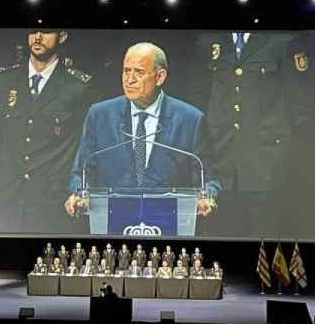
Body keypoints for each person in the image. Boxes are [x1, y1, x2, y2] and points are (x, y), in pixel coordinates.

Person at [65, 43, 219, 221]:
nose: (129, 79)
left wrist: (207, 198)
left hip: (168, 223)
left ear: (160, 77)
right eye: (126, 71)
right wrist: (78, 195)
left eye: (139, 72)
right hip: (113, 222)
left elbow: (208, 179)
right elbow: (81, 173)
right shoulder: (99, 115)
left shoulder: (190, 120)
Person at [191, 31, 315, 237]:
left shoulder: (281, 41)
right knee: (223, 240)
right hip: (223, 163)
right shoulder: (208, 41)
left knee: (265, 239)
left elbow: (301, 105)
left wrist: (286, 153)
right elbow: (203, 97)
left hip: (266, 165)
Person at [0, 30, 94, 233]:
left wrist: (77, 191)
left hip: (51, 201)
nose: (38, 37)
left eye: (46, 31)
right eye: (33, 31)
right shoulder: (3, 80)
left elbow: (85, 148)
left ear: (62, 36)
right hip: (7, 199)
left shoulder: (78, 87)